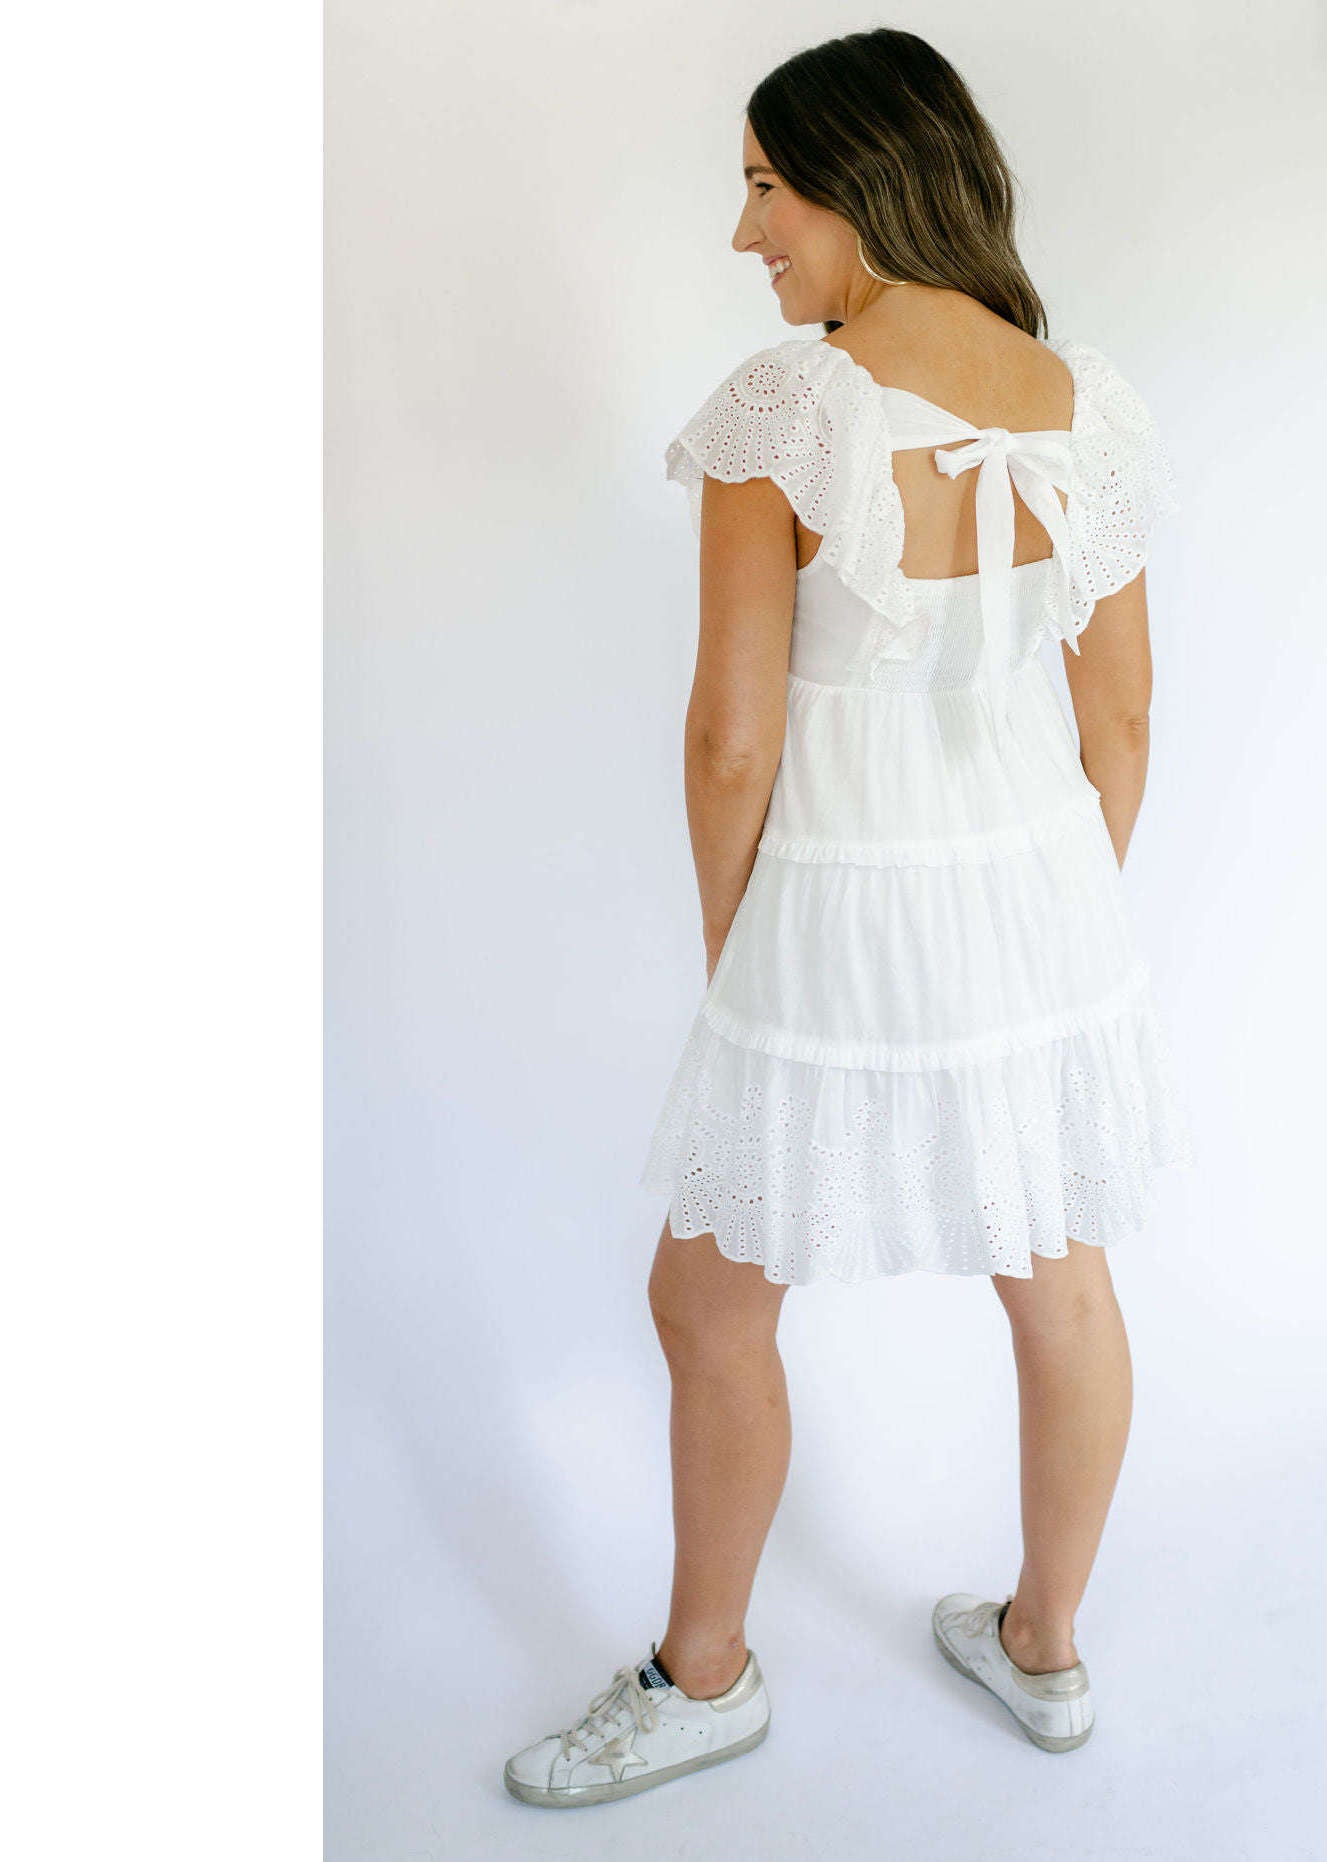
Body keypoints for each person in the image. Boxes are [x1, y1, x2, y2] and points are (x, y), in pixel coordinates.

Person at [505, 27, 1192, 1810]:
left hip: (829, 907)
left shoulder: (793, 409)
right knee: (1062, 1278)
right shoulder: (1085, 401)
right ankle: (1045, 1643)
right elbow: (1121, 716)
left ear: (864, 178)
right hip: (1040, 898)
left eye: (764, 187)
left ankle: (704, 1674)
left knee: (706, 1296)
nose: (744, 234)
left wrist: (736, 950)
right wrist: (1050, 921)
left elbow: (730, 740)